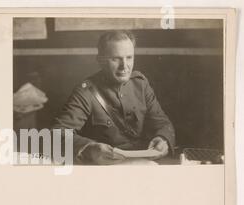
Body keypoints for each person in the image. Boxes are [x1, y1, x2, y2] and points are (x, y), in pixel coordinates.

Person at [52, 30, 175, 165]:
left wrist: (163, 139)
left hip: (143, 163)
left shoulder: (140, 84)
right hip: (105, 168)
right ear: (101, 61)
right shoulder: (85, 92)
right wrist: (90, 148)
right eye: (115, 59)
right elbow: (57, 135)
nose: (124, 66)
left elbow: (162, 122)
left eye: (129, 57)